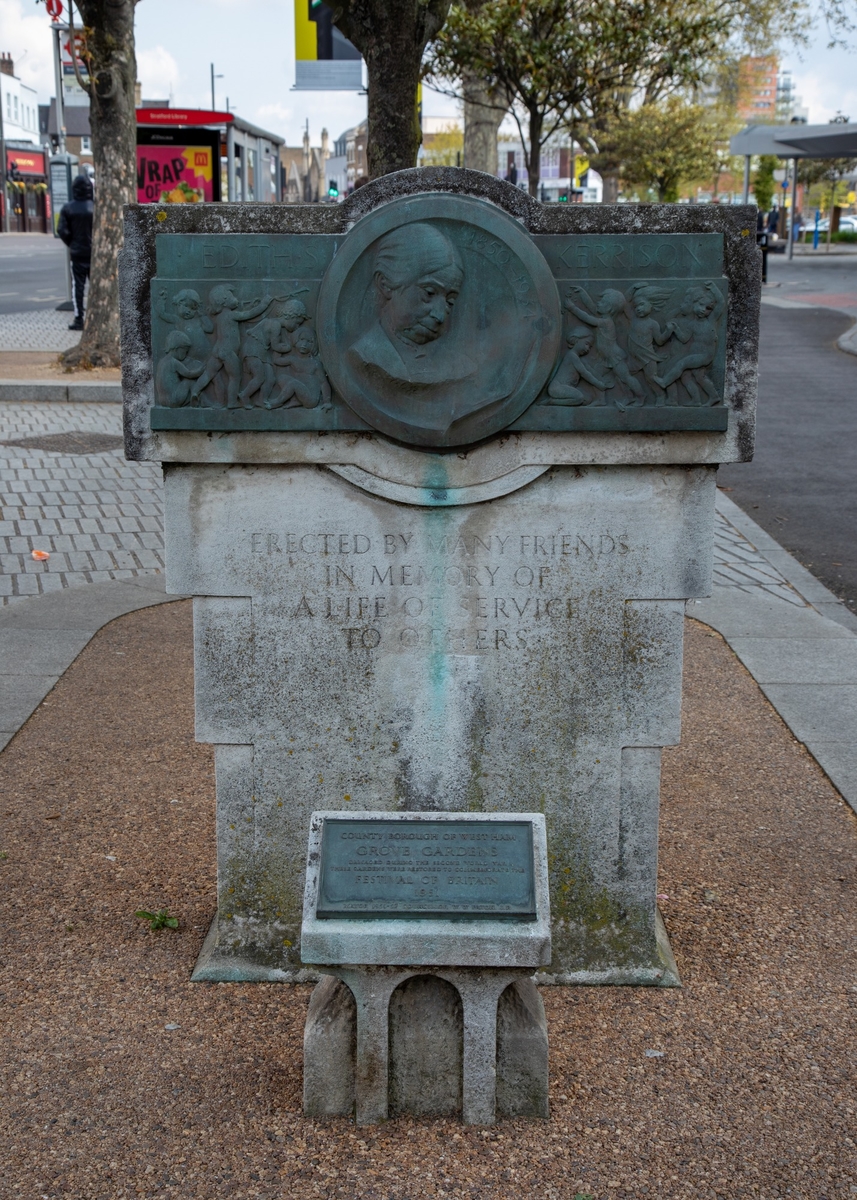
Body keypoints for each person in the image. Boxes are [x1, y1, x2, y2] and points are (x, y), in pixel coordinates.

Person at [57, 174, 93, 332]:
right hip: (95, 253)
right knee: (96, 286)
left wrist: (72, 243)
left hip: (78, 252)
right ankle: (96, 317)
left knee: (78, 287)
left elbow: (62, 230)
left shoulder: (68, 208)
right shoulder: (96, 206)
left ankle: (79, 319)